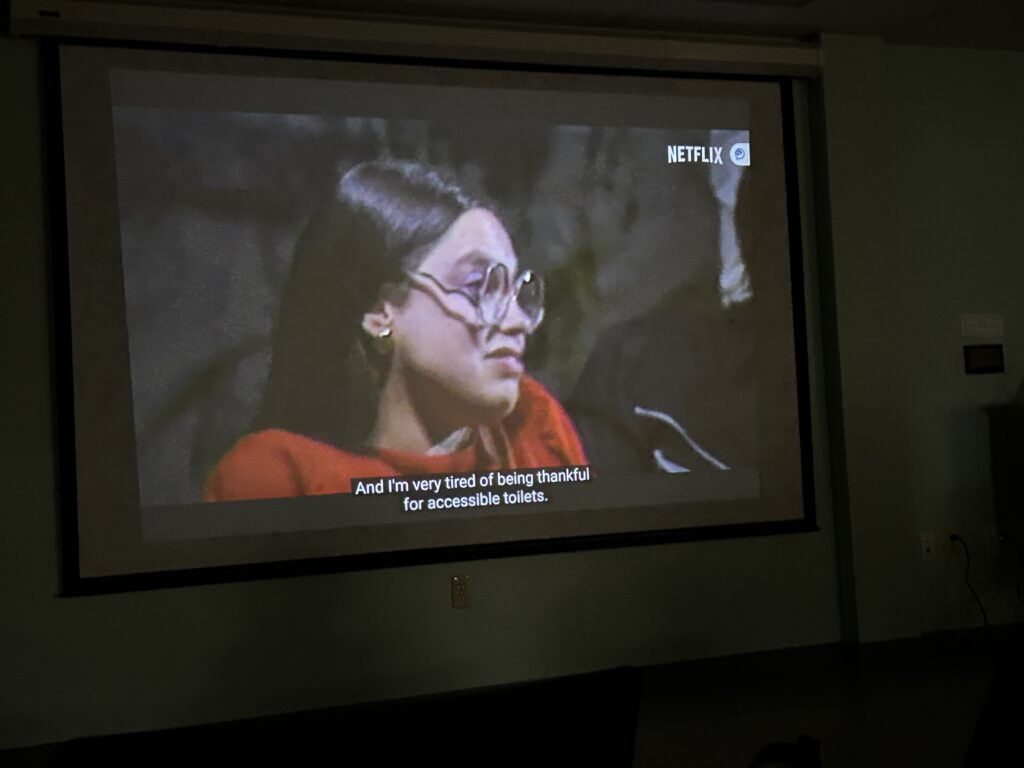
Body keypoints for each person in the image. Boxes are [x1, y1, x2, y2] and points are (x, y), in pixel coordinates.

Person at [205, 160, 586, 501]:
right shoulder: (278, 475)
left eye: (517, 292)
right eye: (478, 287)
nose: (518, 321)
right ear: (377, 311)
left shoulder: (534, 423)